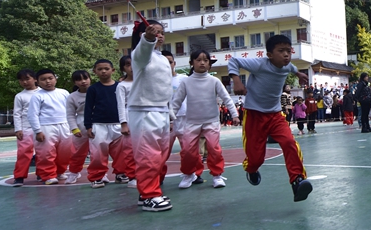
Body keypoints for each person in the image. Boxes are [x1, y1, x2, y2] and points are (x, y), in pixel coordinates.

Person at [228, 35, 313, 202]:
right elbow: (233, 61)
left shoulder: (287, 65)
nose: (286, 55)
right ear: (269, 54)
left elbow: (292, 67)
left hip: (275, 115)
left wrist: (299, 74)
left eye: (288, 51)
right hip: (254, 115)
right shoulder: (259, 64)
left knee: (289, 142)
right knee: (255, 158)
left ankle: (297, 180)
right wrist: (237, 81)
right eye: (281, 51)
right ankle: (251, 169)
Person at [127, 21, 177, 211]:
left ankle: (146, 192)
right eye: (155, 32)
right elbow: (142, 52)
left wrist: (170, 114)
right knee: (148, 156)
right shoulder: (140, 56)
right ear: (142, 35)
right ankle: (150, 195)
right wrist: (147, 39)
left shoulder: (163, 59)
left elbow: (165, 90)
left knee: (160, 156)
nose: (160, 35)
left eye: (162, 32)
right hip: (143, 110)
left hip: (161, 111)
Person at [171, 49, 239, 189]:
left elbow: (226, 98)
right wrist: (170, 119)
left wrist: (235, 115)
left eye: (205, 60)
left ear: (209, 64)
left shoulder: (214, 81)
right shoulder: (186, 82)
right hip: (191, 123)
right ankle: (189, 174)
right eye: (198, 60)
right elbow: (176, 102)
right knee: (188, 151)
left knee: (214, 150)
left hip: (211, 122)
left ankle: (217, 175)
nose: (202, 62)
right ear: (192, 63)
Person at [84, 59, 128, 189]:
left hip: (118, 124)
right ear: (95, 72)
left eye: (106, 69)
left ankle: (120, 173)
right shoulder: (93, 89)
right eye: (100, 69)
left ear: (113, 70)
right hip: (99, 125)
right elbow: (88, 108)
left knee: (121, 153)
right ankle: (97, 177)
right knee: (97, 153)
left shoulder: (120, 86)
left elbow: (125, 106)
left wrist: (125, 122)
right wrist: (88, 126)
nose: (103, 71)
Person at [28, 69, 73, 185]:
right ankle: (48, 175)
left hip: (65, 125)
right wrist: (38, 131)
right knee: (46, 153)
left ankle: (60, 171)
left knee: (65, 152)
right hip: (46, 127)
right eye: (43, 79)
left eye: (50, 78)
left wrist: (73, 126)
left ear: (55, 79)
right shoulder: (36, 96)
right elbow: (32, 114)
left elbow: (71, 110)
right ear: (37, 82)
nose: (47, 81)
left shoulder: (64, 92)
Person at [10, 69, 38, 185]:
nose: (24, 82)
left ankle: (42, 174)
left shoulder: (43, 93)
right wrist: (18, 129)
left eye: (27, 79)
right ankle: (19, 177)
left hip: (43, 127)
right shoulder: (20, 96)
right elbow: (17, 113)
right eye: (21, 80)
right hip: (26, 128)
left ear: (35, 79)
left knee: (44, 153)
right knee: (23, 153)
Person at [64, 70, 92, 184]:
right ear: (75, 82)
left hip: (98, 124)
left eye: (85, 78)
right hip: (81, 125)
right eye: (79, 79)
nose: (83, 81)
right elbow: (70, 114)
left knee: (98, 152)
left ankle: (100, 173)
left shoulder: (97, 91)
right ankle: (74, 172)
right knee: (77, 152)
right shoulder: (72, 97)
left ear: (90, 78)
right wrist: (74, 128)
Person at [115, 55, 135, 188]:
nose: (132, 67)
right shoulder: (122, 86)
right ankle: (133, 175)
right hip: (129, 117)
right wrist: (124, 123)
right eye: (128, 65)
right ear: (123, 69)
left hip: (145, 116)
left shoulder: (144, 81)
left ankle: (147, 174)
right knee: (130, 150)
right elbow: (121, 105)